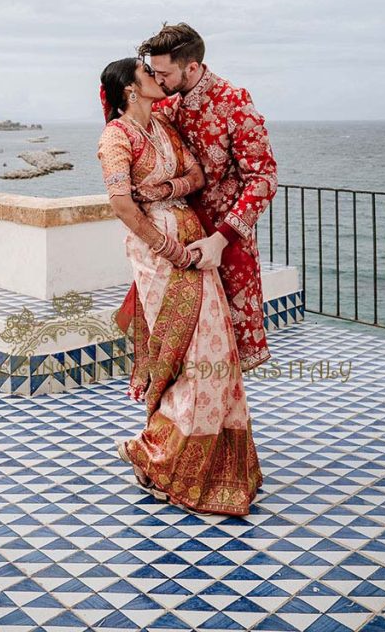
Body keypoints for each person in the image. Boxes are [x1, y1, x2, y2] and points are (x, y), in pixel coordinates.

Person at [97, 56, 264, 516]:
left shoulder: (164, 128)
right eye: (147, 73)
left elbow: (198, 176)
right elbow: (121, 205)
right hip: (158, 254)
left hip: (194, 242)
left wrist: (162, 189)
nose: (156, 77)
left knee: (216, 350)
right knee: (185, 354)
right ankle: (156, 455)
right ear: (130, 89)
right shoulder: (116, 135)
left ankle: (209, 464)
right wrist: (167, 248)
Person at [131, 21, 278, 374]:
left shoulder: (234, 103)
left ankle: (222, 429)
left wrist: (221, 239)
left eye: (164, 73)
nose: (159, 80)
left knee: (224, 359)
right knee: (177, 350)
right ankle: (176, 428)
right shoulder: (167, 106)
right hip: (178, 244)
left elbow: (263, 178)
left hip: (225, 244)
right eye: (155, 72)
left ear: (192, 67)